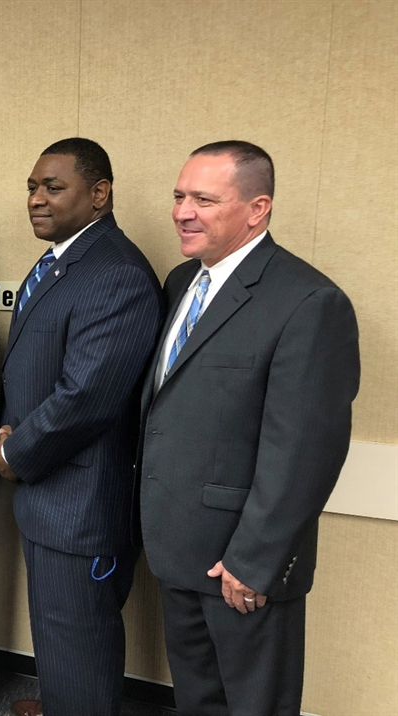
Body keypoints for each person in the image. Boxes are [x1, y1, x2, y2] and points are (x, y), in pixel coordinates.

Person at [139, 141, 360, 716]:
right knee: (198, 700)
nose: (182, 212)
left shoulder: (309, 301)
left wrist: (254, 561)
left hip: (241, 566)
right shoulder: (181, 281)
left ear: (257, 209)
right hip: (176, 547)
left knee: (255, 706)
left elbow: (304, 450)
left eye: (204, 200)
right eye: (179, 196)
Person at [0, 138, 163, 716]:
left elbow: (86, 398)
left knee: (78, 645)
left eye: (53, 187)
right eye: (32, 188)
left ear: (99, 193)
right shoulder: (62, 260)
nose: (37, 199)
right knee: (63, 642)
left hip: (80, 507)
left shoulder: (115, 272)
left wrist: (16, 455)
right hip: (53, 499)